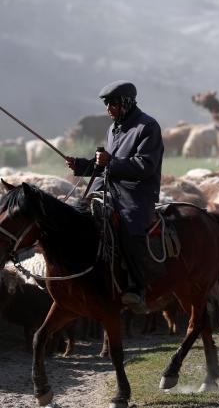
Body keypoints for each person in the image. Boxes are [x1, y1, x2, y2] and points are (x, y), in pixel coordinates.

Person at [65, 80, 164, 306]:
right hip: (108, 188)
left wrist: (111, 162)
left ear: (126, 102)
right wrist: (81, 165)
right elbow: (105, 164)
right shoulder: (113, 128)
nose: (108, 109)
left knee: (129, 226)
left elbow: (145, 166)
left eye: (113, 103)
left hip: (135, 193)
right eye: (106, 104)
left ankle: (138, 287)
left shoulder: (148, 127)